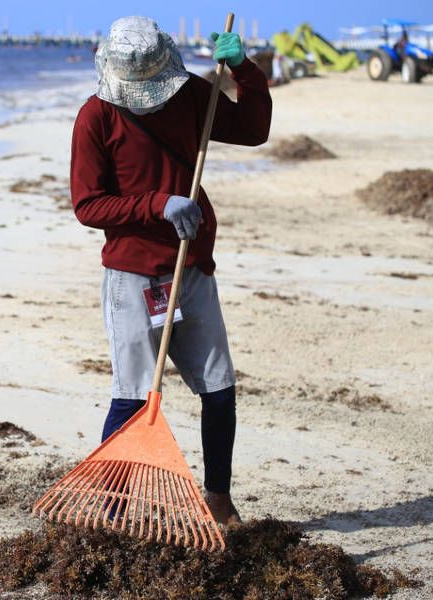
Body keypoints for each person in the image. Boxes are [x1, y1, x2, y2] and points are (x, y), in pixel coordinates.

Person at [69, 16, 271, 526]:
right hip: (134, 276)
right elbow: (89, 206)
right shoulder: (95, 117)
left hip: (192, 268)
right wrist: (158, 204)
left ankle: (219, 500)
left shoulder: (188, 97)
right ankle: (113, 510)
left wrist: (244, 70)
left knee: (220, 389)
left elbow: (253, 130)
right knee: (134, 395)